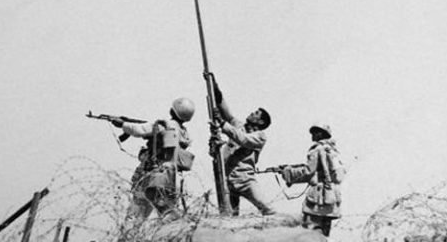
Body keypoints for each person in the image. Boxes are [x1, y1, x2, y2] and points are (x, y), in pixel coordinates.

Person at [113, 97, 196, 222]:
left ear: (173, 111)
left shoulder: (165, 125)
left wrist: (122, 124)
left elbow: (139, 130)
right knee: (166, 211)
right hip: (171, 177)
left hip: (153, 175)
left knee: (137, 215)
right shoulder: (183, 132)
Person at [208, 74, 276, 216]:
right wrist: (214, 86)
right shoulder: (238, 126)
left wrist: (222, 124)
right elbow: (225, 111)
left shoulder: (260, 136)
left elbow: (243, 139)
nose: (252, 113)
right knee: (229, 216)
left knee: (267, 208)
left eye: (256, 113)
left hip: (245, 180)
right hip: (227, 178)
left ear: (261, 122)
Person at [281, 124, 345, 237]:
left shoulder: (317, 149)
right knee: (323, 235)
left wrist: (288, 173)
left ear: (320, 134)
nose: (312, 135)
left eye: (315, 132)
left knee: (309, 233)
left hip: (317, 200)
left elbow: (308, 171)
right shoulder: (333, 150)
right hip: (331, 199)